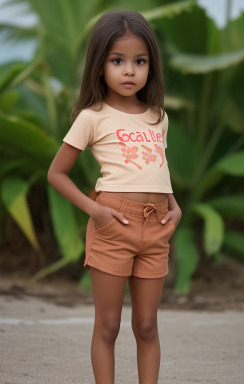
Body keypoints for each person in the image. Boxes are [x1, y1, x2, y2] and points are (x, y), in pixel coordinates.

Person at [48, 10, 182, 384]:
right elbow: (56, 174)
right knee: (108, 326)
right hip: (113, 225)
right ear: (99, 64)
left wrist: (175, 207)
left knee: (147, 325)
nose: (129, 71)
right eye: (117, 61)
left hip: (156, 227)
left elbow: (159, 167)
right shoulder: (92, 116)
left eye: (140, 61)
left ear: (151, 66)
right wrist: (97, 212)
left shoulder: (158, 115)